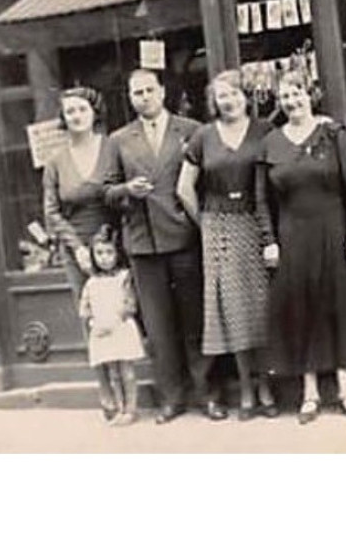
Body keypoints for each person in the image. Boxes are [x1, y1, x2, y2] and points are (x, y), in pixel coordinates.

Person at [103, 67, 217, 424]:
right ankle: (172, 397)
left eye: (150, 90)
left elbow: (207, 183)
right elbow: (106, 190)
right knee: (159, 325)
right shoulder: (119, 140)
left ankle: (208, 394)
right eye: (137, 93)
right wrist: (126, 191)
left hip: (184, 237)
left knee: (195, 320)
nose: (144, 98)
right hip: (144, 242)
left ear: (163, 92)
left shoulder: (192, 130)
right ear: (130, 98)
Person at [260, 70, 346, 423]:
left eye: (297, 94)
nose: (292, 102)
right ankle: (309, 392)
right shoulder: (272, 142)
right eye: (285, 97)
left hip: (333, 226)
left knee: (339, 303)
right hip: (292, 231)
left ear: (311, 95)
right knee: (301, 306)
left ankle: (345, 387)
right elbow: (262, 199)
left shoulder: (332, 133)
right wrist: (269, 241)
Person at [177, 69, 278, 421]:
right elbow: (183, 187)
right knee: (232, 309)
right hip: (219, 228)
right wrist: (203, 221)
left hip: (256, 224)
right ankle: (247, 390)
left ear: (245, 96)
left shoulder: (264, 130)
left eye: (234, 93)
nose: (228, 101)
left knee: (261, 307)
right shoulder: (204, 136)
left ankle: (266, 384)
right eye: (221, 96)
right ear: (213, 102)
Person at [41, 86, 122, 417]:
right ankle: (105, 388)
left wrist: (111, 240)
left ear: (94, 113)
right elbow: (51, 211)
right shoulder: (56, 162)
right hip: (76, 247)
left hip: (114, 241)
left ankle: (127, 383)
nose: (76, 117)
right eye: (70, 112)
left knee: (121, 311)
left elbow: (121, 192)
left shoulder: (111, 148)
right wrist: (77, 248)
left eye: (81, 110)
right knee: (92, 317)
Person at [78, 225, 145, 427]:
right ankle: (119, 407)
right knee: (113, 374)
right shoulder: (91, 283)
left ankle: (131, 409)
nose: (104, 258)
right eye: (99, 253)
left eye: (109, 252)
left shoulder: (123, 278)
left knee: (127, 371)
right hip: (102, 331)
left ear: (117, 254)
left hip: (120, 328)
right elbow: (84, 309)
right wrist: (94, 322)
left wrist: (117, 317)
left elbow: (131, 305)